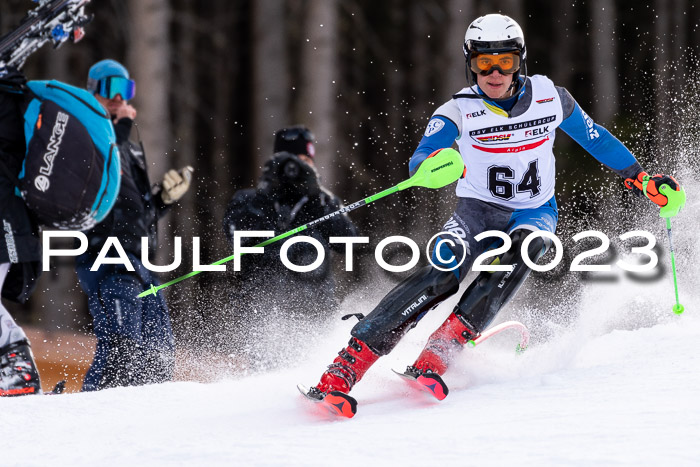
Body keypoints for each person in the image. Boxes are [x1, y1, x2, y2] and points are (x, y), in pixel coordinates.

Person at [303, 14, 682, 414]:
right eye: (484, 63)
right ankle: (345, 368)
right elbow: (420, 160)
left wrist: (640, 178)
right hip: (478, 211)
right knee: (440, 273)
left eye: (505, 61)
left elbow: (596, 139)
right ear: (471, 63)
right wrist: (436, 163)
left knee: (526, 249)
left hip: (534, 209)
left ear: (521, 60)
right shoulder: (458, 111)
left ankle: (441, 349)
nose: (495, 72)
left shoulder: (551, 97)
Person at [76, 59, 194, 391]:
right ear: (91, 93)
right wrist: (121, 128)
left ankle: (143, 427)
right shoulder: (86, 134)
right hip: (106, 258)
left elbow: (134, 212)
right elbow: (99, 168)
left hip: (138, 262)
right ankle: (84, 417)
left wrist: (162, 200)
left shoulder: (130, 149)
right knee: (121, 352)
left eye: (125, 90)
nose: (117, 98)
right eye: (109, 88)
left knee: (158, 357)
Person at [222, 126, 357, 368]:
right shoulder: (250, 199)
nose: (299, 169)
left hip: (316, 309)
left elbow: (349, 242)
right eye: (292, 162)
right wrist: (267, 190)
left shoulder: (322, 200)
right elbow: (238, 237)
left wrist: (317, 197)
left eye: (306, 161)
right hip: (263, 314)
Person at [0, 66, 42, 396]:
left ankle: (19, 371)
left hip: (6, 218)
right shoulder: (12, 97)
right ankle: (17, 369)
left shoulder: (8, 98)